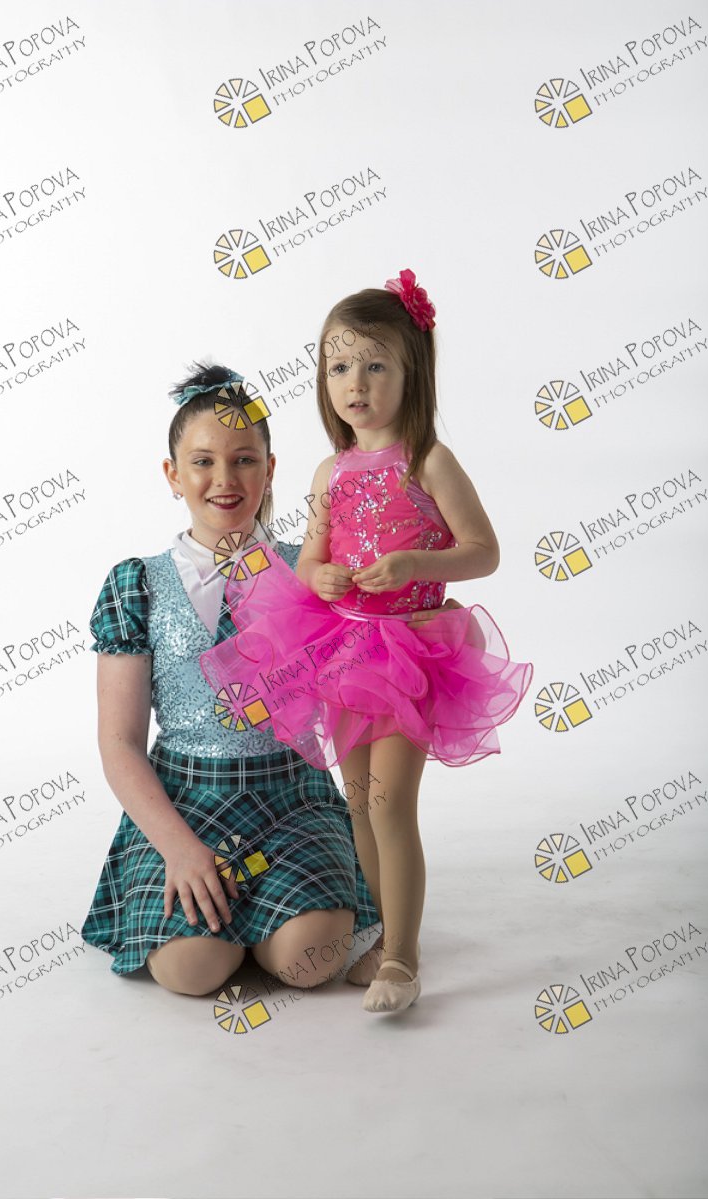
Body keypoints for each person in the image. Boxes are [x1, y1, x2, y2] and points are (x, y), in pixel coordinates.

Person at [200, 270, 533, 1015]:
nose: (355, 382)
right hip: (343, 652)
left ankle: (405, 961)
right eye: (339, 366)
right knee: (358, 805)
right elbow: (312, 557)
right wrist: (317, 576)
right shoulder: (331, 471)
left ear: (412, 373)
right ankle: (383, 935)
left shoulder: (428, 462)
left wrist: (417, 565)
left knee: (390, 805)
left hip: (412, 651)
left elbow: (483, 551)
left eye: (376, 365)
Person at [81, 364, 388, 996]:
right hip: (183, 803)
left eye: (244, 460)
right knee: (191, 971)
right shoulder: (136, 584)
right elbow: (119, 743)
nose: (224, 480)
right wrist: (180, 850)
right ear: (172, 475)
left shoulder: (310, 573)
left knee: (311, 962)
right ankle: (230, 926)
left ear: (269, 470)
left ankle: (271, 922)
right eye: (202, 462)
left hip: (291, 799)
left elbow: (367, 667)